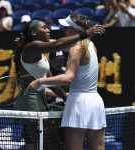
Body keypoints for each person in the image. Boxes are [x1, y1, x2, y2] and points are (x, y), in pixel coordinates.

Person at [13, 19, 105, 149]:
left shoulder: (41, 52)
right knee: (36, 143)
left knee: (48, 143)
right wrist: (84, 34)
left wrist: (65, 97)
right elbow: (57, 44)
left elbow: (52, 81)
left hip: (42, 101)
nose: (49, 30)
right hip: (30, 103)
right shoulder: (32, 47)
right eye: (44, 28)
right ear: (33, 32)